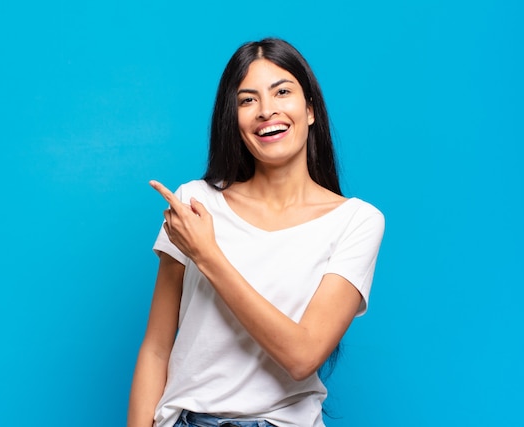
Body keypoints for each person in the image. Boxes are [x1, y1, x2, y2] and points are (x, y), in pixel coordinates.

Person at [127, 38, 385, 427]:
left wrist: (208, 254)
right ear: (234, 118)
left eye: (282, 92)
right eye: (247, 100)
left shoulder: (356, 221)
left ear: (310, 109)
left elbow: (303, 356)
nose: (267, 111)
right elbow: (156, 348)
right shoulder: (195, 203)